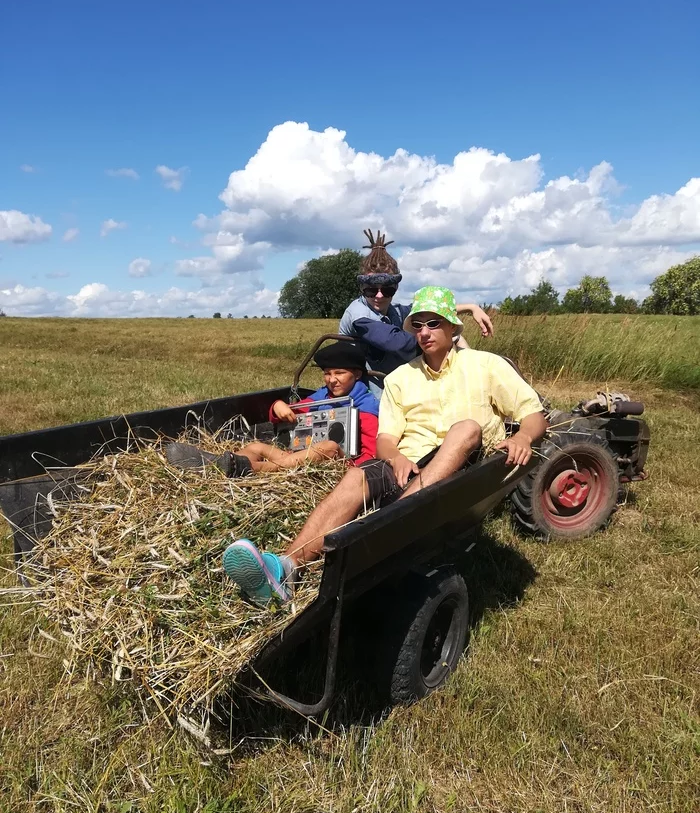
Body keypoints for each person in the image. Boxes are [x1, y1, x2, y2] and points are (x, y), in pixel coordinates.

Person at [223, 285, 547, 605]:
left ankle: (390, 523)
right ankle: (285, 567)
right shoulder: (400, 378)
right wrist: (395, 458)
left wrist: (521, 436)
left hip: (464, 461)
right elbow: (386, 440)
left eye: (433, 323)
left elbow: (533, 414)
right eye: (417, 325)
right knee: (356, 477)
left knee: (466, 428)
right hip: (409, 461)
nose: (424, 332)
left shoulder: (485, 366)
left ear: (452, 327)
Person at [166, 341, 379, 477]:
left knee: (329, 446)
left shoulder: (367, 408)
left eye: (339, 373)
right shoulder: (321, 397)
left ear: (357, 375)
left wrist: (346, 467)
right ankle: (214, 467)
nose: (332, 380)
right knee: (257, 446)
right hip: (297, 459)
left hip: (337, 465)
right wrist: (277, 406)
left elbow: (369, 457)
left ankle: (252, 469)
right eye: (327, 373)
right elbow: (288, 414)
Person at [338, 229, 494, 395]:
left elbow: (428, 311)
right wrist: (437, 341)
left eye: (387, 290)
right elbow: (395, 342)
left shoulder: (394, 311)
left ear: (395, 288)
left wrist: (471, 308)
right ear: (362, 288)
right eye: (371, 290)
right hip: (367, 390)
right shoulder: (358, 314)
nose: (379, 295)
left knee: (454, 334)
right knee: (445, 337)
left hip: (395, 380)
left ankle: (475, 379)